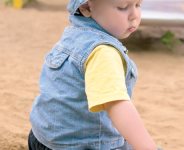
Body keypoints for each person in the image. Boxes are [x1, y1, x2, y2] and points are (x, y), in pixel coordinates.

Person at [28, 0, 157, 149]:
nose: (134, 16)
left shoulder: (73, 34)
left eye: (138, 5)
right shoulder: (103, 52)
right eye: (122, 7)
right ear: (86, 7)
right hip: (79, 145)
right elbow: (117, 105)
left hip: (41, 139)